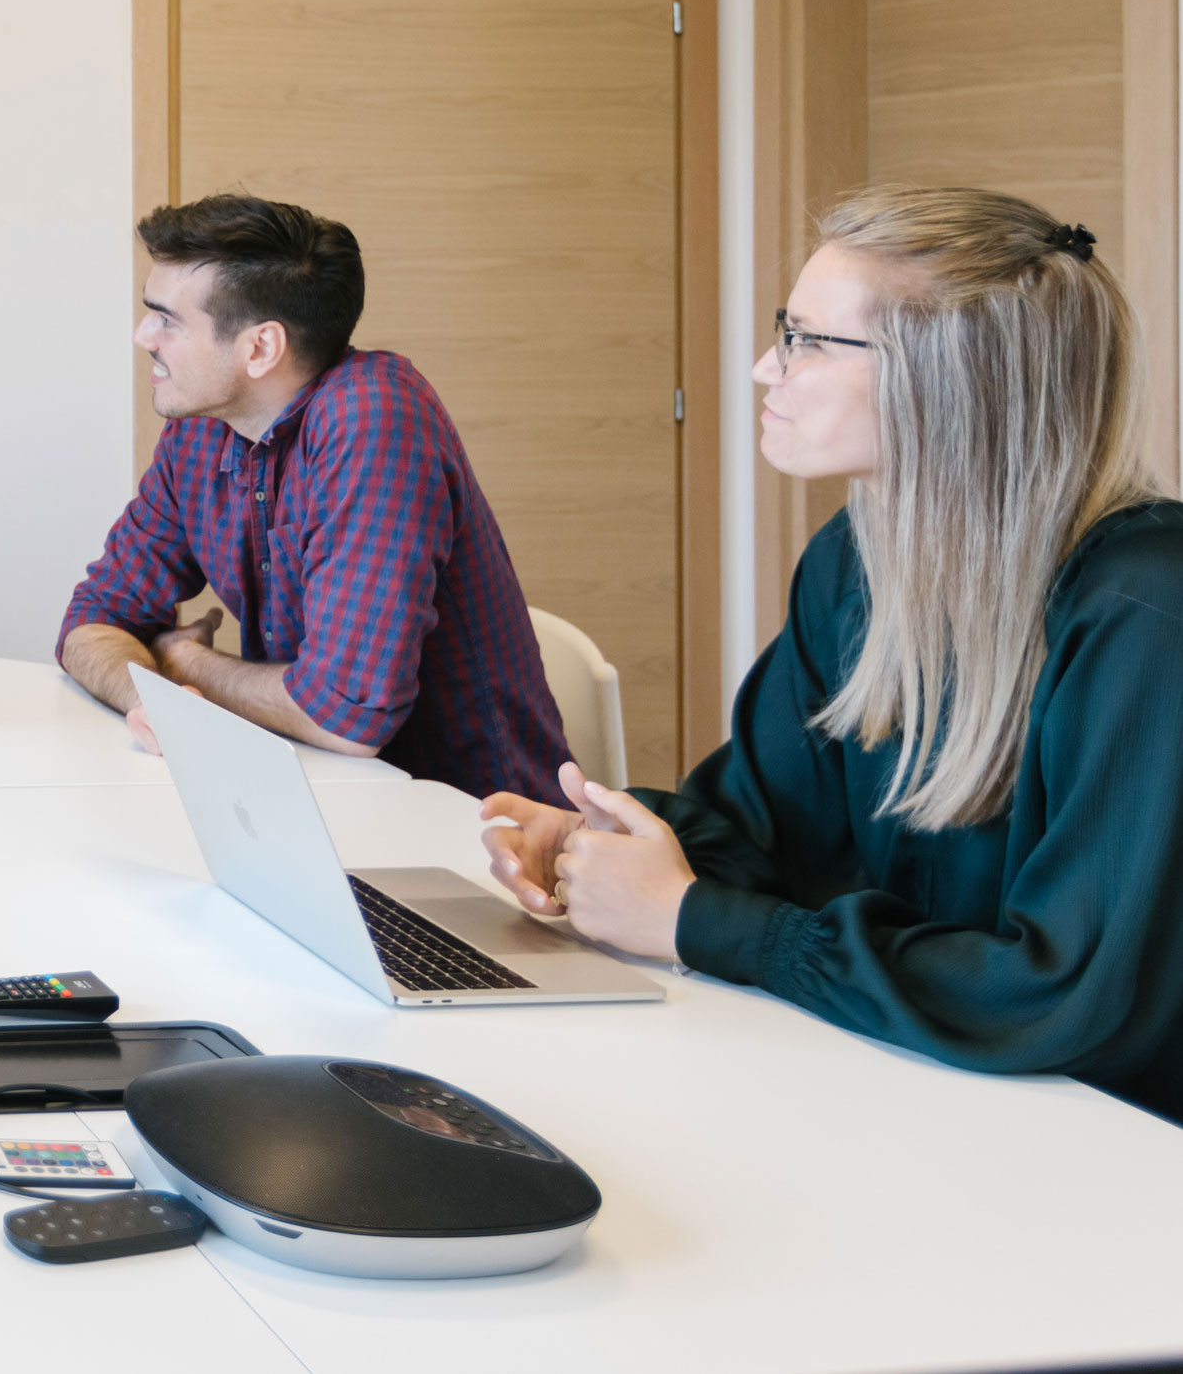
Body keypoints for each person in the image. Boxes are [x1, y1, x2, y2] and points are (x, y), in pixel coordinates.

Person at [483, 186, 1183, 1123]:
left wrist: (694, 921)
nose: (765, 365)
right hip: (927, 1092)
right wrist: (604, 843)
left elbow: (1060, 996)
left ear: (951, 379)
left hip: (1108, 1149)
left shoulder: (1148, 611)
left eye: (808, 338)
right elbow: (758, 829)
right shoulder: (855, 560)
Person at [58, 193, 570, 801]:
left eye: (167, 318)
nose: (144, 336)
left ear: (260, 348)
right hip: (310, 804)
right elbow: (91, 621)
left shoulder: (376, 415)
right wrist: (151, 694)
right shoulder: (200, 429)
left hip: (474, 838)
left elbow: (346, 716)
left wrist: (186, 666)